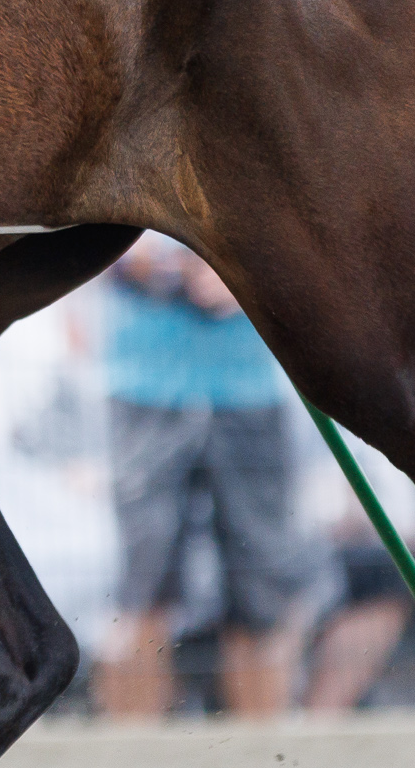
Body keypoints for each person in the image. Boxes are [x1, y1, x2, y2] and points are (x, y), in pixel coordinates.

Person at [95, 238, 308, 719]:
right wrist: (161, 266)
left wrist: (248, 271)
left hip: (248, 387)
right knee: (143, 588)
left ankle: (268, 760)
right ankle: (128, 760)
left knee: (261, 593)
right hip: (143, 385)